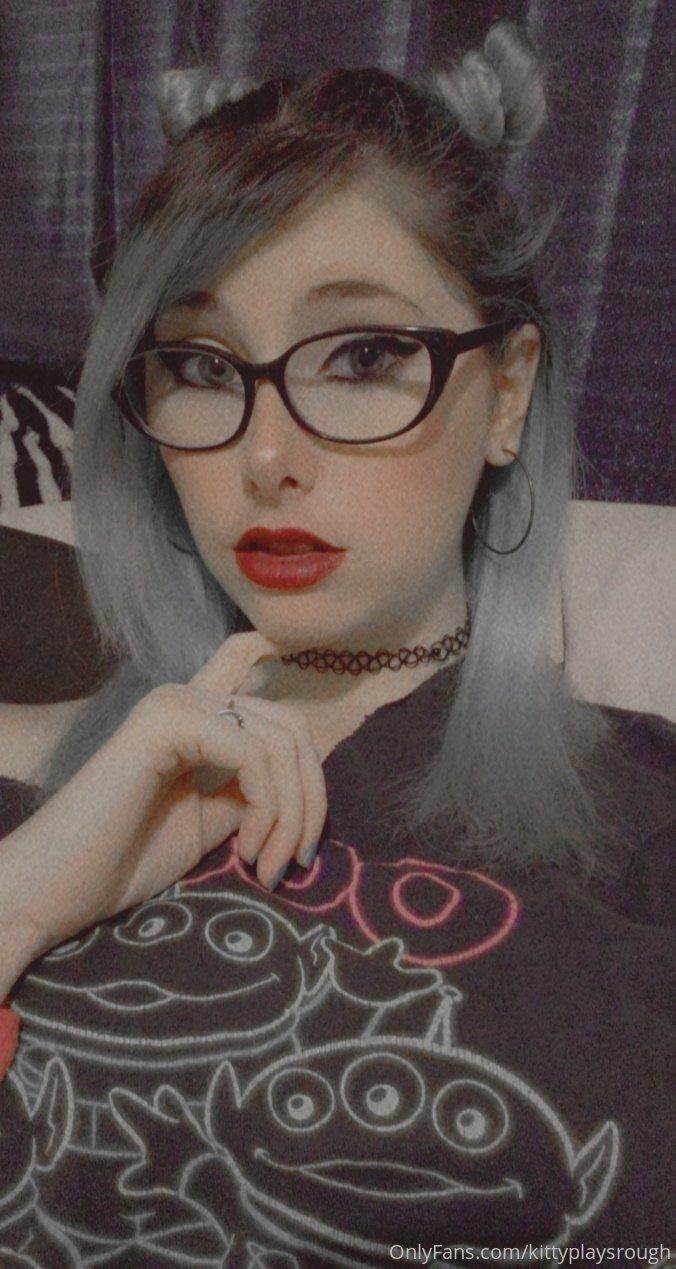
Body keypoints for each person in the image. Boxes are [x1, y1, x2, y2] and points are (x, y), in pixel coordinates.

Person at [0, 18, 673, 1267]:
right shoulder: (48, 794)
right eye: (201, 365)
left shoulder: (645, 819)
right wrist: (29, 896)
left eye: (363, 355)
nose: (266, 455)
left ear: (506, 392)